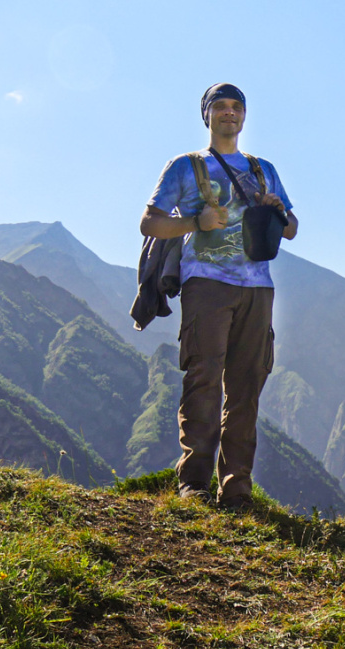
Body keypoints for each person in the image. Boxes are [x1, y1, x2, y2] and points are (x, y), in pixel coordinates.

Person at [140, 82, 298, 507]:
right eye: (221, 107)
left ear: (244, 116)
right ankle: (194, 484)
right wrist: (196, 222)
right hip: (206, 284)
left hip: (258, 287)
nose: (229, 113)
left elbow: (292, 229)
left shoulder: (264, 169)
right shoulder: (186, 166)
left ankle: (237, 490)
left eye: (236, 107)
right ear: (207, 115)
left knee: (247, 387)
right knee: (204, 379)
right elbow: (150, 224)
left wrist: (277, 209)